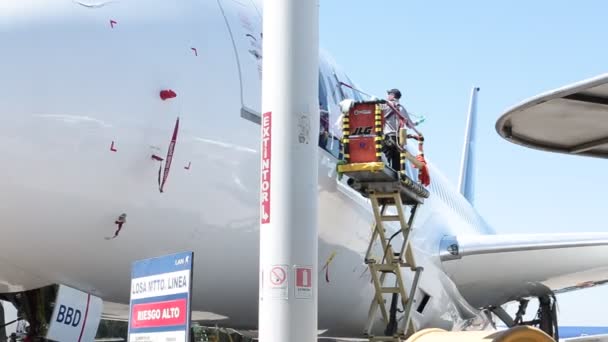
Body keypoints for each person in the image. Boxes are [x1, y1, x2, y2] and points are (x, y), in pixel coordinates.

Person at [380, 88, 413, 172]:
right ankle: (398, 174)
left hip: (388, 136)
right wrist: (417, 122)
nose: (387, 96)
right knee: (397, 162)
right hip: (399, 138)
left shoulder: (385, 105)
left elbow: (374, 110)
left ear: (392, 95)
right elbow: (410, 125)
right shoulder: (402, 109)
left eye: (388, 94)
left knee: (385, 156)